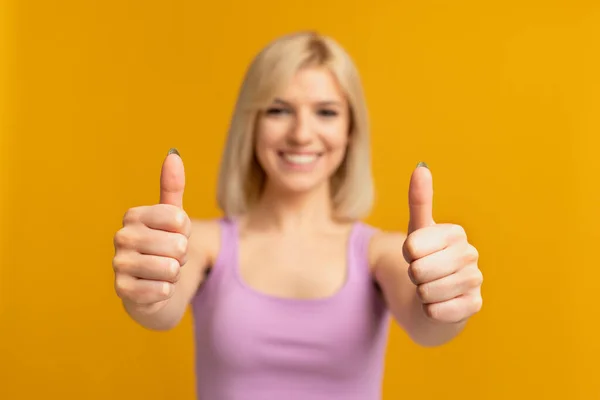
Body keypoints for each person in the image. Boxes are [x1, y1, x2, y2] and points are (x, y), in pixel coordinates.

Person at [112, 31, 483, 399]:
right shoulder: (203, 246)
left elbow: (429, 327)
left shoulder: (381, 255)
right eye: (278, 110)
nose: (302, 134)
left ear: (350, 129)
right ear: (251, 125)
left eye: (326, 112)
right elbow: (160, 309)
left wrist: (447, 301)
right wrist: (146, 291)